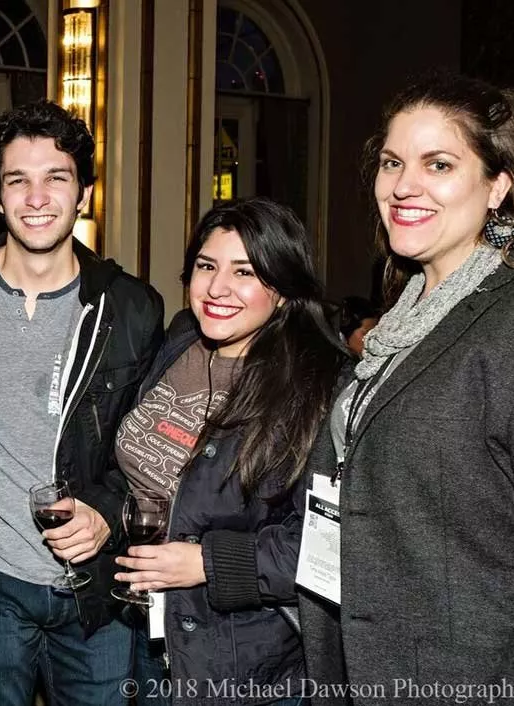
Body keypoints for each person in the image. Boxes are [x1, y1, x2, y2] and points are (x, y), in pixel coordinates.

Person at [0, 99, 164, 705]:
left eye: (56, 178)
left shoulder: (132, 309)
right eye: (17, 181)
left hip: (93, 596)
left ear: (83, 193)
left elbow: (149, 448)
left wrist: (107, 510)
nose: (37, 197)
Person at [299, 72, 514, 703]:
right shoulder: (404, 317)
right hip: (363, 668)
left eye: (439, 164)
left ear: (498, 185)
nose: (405, 185)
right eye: (392, 162)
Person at [112, 198, 346, 704]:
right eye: (206, 266)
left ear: (282, 290)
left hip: (245, 667)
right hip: (151, 640)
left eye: (244, 272)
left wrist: (206, 565)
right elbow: (146, 470)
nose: (217, 289)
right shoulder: (180, 341)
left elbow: (330, 546)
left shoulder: (320, 389)